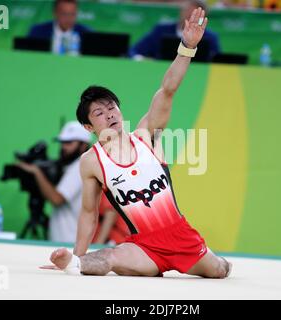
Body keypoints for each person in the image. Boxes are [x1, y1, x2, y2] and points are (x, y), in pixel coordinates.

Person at [42, 7, 231, 278]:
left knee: (220, 271)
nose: (109, 115)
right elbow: (88, 213)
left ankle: (217, 261)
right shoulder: (91, 161)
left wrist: (187, 47)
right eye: (99, 113)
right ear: (88, 127)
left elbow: (168, 89)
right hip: (145, 248)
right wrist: (78, 255)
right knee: (107, 256)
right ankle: (74, 264)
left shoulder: (146, 134)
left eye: (112, 108)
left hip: (181, 238)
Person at [17, 121, 92, 243]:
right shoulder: (71, 166)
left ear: (83, 145)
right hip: (65, 241)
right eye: (62, 143)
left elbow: (57, 199)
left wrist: (37, 172)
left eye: (69, 143)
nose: (64, 147)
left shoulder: (81, 165)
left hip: (71, 242)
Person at [129, 0, 221, 62]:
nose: (190, 15)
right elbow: (135, 50)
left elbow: (216, 61)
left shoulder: (210, 37)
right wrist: (141, 59)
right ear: (181, 12)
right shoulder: (161, 30)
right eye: (188, 10)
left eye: (196, 13)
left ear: (203, 17)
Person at [27, 0, 92, 55]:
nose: (69, 18)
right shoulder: (38, 31)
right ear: (55, 13)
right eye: (64, 14)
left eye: (72, 14)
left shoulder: (87, 33)